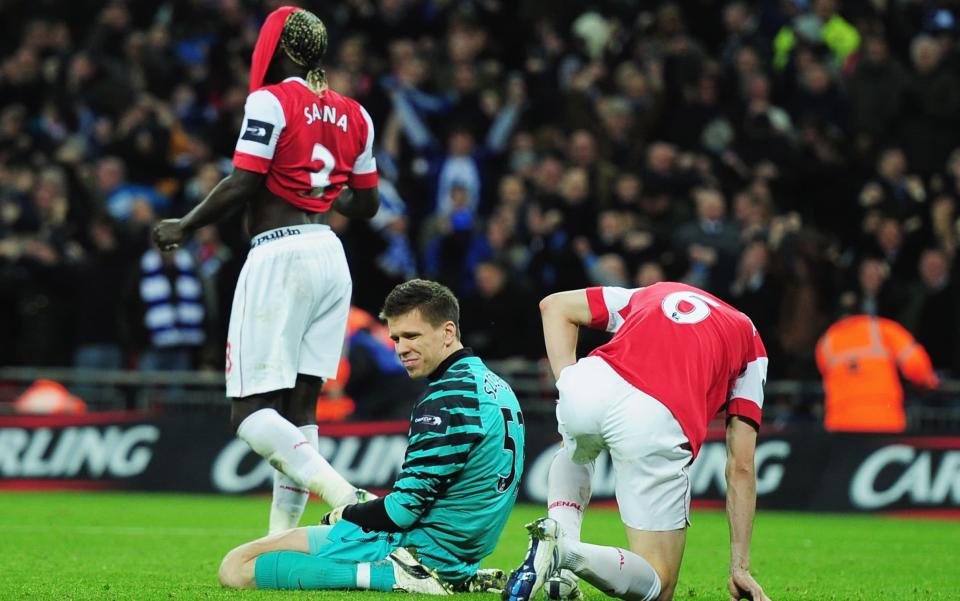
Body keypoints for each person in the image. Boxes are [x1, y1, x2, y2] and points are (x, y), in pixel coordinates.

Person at [152, 6, 380, 534]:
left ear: (278, 50)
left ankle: (345, 495)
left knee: (250, 414)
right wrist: (323, 191)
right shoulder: (357, 114)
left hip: (279, 254)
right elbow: (366, 205)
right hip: (329, 253)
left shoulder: (271, 100)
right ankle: (281, 540)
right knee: (302, 407)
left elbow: (242, 181)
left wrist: (184, 226)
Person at [217, 279, 526, 594]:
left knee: (237, 567)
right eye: (396, 338)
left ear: (448, 332)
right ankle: (452, 577)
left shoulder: (447, 397)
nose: (402, 348)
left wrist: (346, 513)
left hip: (414, 553)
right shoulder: (497, 387)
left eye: (412, 336)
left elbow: (402, 511)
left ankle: (400, 579)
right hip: (456, 554)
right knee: (270, 547)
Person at [504, 282, 771, 601]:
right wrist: (739, 567)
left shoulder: (655, 292)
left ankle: (557, 569)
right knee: (660, 584)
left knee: (578, 447)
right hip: (657, 415)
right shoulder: (749, 338)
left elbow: (554, 306)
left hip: (592, 381)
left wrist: (570, 388)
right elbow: (740, 466)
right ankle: (564, 553)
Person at [815, 314, 939, 433]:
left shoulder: (826, 340)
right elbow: (916, 365)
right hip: (884, 421)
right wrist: (928, 382)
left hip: (840, 426)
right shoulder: (884, 328)